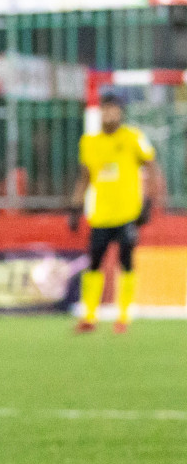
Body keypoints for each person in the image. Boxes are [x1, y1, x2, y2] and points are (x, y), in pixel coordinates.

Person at [69, 88, 164, 333]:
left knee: (126, 262)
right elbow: (84, 178)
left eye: (114, 109)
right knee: (94, 263)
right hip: (101, 215)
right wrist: (75, 207)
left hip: (127, 214)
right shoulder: (89, 142)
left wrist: (149, 201)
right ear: (100, 112)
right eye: (105, 109)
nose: (109, 114)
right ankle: (89, 316)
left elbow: (152, 168)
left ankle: (123, 316)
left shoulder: (133, 138)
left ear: (120, 113)